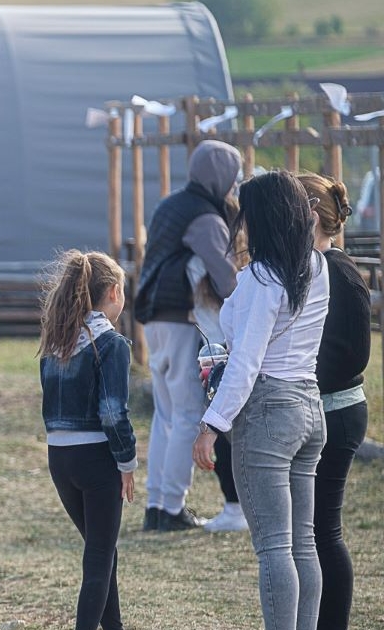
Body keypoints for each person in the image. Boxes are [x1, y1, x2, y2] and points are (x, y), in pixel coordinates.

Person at [193, 170, 330, 630]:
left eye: (247, 216)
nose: (242, 225)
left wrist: (212, 425)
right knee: (302, 543)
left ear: (264, 218)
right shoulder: (317, 265)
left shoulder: (262, 279)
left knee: (274, 546)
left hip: (270, 410)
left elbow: (246, 363)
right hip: (309, 405)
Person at [135, 139, 241, 531]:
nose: (234, 187)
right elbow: (226, 277)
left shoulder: (170, 203)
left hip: (153, 318)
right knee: (185, 416)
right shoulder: (205, 218)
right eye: (232, 177)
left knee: (165, 415)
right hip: (181, 318)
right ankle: (172, 509)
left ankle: (156, 504)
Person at [39, 249, 137, 630]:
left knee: (101, 551)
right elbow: (113, 413)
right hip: (97, 460)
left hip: (59, 459)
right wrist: (127, 462)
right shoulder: (111, 345)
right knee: (98, 557)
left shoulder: (56, 343)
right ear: (114, 293)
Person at [297, 172, 370, 630]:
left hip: (337, 410)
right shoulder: (321, 267)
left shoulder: (337, 272)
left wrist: (301, 375)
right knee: (316, 531)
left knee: (324, 530)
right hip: (327, 407)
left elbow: (353, 353)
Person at [187, 255, 248, 533]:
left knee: (224, 433)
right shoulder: (236, 277)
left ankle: (235, 505)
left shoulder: (198, 269)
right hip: (224, 357)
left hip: (219, 359)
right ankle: (236, 505)